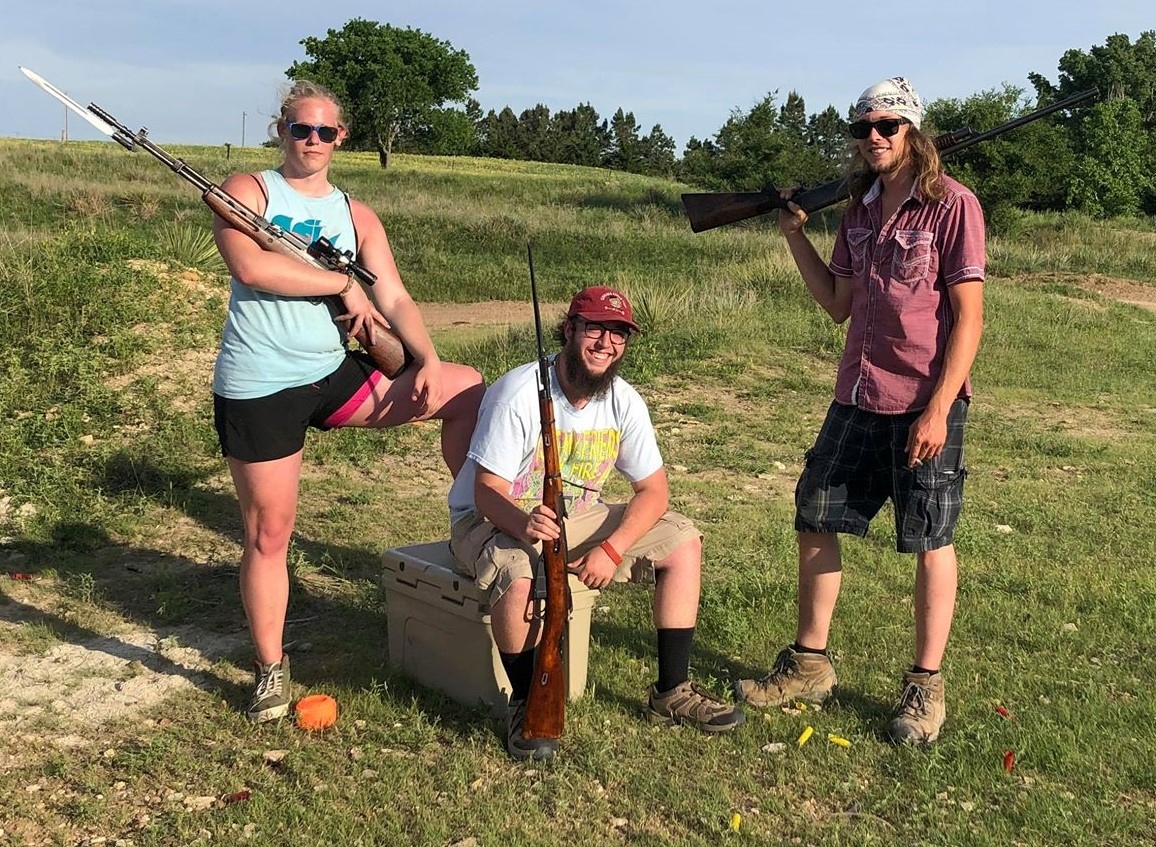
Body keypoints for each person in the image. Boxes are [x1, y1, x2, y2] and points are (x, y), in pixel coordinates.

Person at [211, 80, 485, 723]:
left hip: (335, 372)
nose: (311, 141)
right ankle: (270, 671)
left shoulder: (357, 216)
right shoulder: (247, 192)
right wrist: (340, 284)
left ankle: (476, 530)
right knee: (269, 534)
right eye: (299, 129)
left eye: (324, 132)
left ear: (342, 139)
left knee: (469, 390)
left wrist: (428, 358)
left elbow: (392, 295)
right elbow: (252, 268)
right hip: (261, 384)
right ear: (280, 132)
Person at [734, 77, 985, 745]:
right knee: (815, 513)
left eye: (887, 125)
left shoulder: (952, 207)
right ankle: (809, 665)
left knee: (929, 536)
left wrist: (937, 409)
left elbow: (968, 320)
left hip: (925, 399)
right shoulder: (859, 211)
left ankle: (924, 689)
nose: (872, 135)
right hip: (859, 392)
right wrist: (794, 236)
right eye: (863, 126)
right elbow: (839, 302)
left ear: (914, 132)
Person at [447, 286, 744, 759]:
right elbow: (486, 493)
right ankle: (528, 703)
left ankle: (672, 691)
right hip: (495, 520)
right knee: (518, 576)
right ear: (570, 331)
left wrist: (612, 548)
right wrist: (524, 524)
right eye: (595, 329)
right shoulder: (519, 393)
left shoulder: (624, 401)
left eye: (619, 334)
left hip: (579, 519)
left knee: (683, 541)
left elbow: (655, 491)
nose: (606, 343)